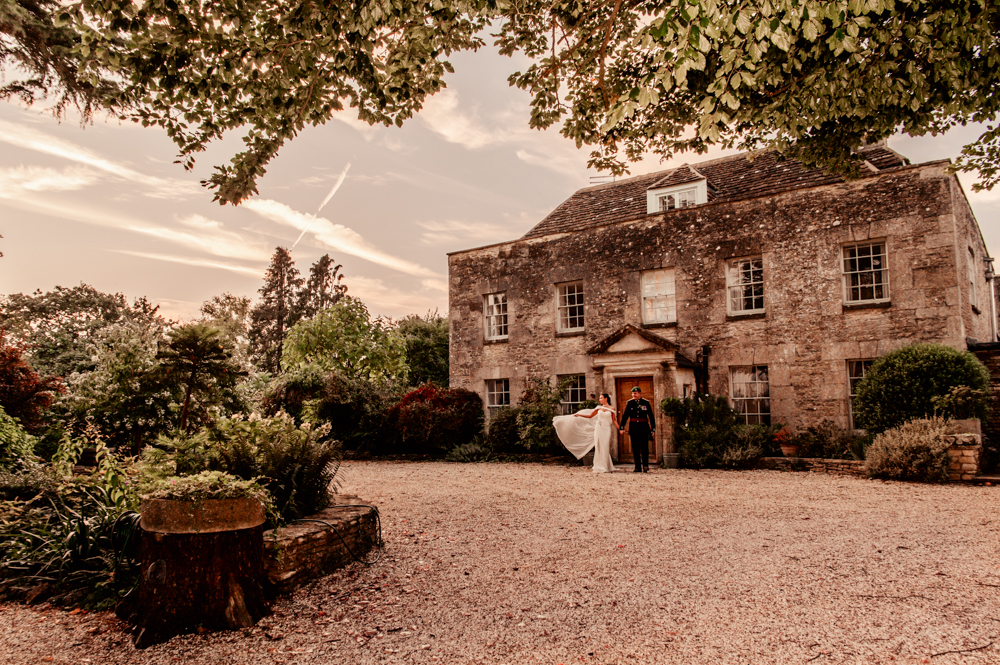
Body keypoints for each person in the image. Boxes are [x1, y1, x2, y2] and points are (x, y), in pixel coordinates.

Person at [552, 393, 617, 473]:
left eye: (601, 398)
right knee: (599, 446)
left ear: (606, 398)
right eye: (599, 398)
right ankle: (600, 466)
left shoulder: (612, 408)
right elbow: (590, 416)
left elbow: (614, 420)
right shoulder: (598, 408)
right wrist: (580, 415)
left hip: (606, 429)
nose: (599, 400)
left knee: (605, 445)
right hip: (599, 428)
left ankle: (606, 465)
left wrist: (620, 429)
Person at [619, 386, 655, 472]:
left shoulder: (645, 402)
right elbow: (625, 416)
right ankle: (637, 467)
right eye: (632, 393)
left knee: (644, 447)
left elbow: (651, 416)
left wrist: (653, 429)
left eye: (635, 393)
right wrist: (622, 427)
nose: (633, 395)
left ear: (639, 393)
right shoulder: (630, 403)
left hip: (644, 427)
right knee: (635, 448)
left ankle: (645, 465)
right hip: (634, 427)